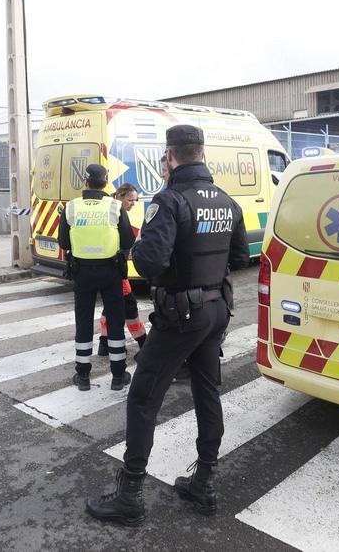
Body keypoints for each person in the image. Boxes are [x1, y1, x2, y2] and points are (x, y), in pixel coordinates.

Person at [86, 124, 248, 526]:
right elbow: (242, 258)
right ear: (202, 153)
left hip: (181, 315)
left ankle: (130, 495)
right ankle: (204, 482)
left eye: (165, 158)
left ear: (170, 156)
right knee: (207, 390)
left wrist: (142, 246)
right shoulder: (228, 201)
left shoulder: (170, 200)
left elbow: (149, 263)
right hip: (215, 311)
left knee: (143, 397)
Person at [58, 164, 136, 392]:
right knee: (115, 321)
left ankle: (83, 376)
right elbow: (128, 242)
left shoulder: (72, 208)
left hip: (82, 273)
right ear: (106, 180)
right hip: (110, 272)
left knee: (83, 323)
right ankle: (118, 376)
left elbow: (63, 242)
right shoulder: (114, 206)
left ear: (86, 180)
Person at [96, 183, 146, 355]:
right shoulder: (116, 211)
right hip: (115, 269)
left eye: (135, 200)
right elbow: (125, 242)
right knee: (130, 306)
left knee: (110, 306)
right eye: (130, 200)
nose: (133, 204)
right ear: (120, 197)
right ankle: (143, 343)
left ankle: (104, 342)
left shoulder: (108, 208)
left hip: (106, 268)